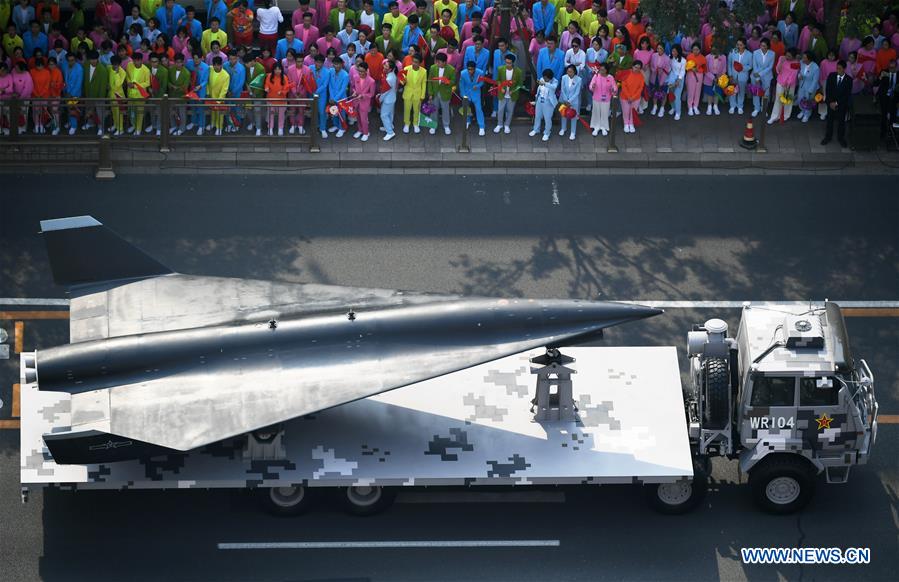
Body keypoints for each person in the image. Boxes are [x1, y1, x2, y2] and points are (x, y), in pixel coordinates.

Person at [821, 60, 851, 147]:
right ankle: (828, 137)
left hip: (841, 104)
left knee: (841, 121)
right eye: (837, 68)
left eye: (840, 69)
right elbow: (828, 90)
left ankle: (841, 138)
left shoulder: (849, 80)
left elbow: (846, 94)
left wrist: (837, 103)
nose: (838, 70)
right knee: (829, 121)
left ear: (844, 69)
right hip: (831, 103)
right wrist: (830, 102)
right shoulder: (831, 76)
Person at [768, 48, 798, 124]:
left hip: (790, 84)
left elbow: (793, 74)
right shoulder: (782, 58)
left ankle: (785, 115)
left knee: (788, 100)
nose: (787, 57)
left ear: (793, 57)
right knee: (778, 99)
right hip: (780, 81)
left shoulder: (796, 63)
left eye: (789, 56)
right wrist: (781, 62)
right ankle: (774, 116)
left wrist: (788, 83)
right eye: (787, 55)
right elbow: (778, 69)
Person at [428, 50, 454, 135]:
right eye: (436, 61)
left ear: (444, 62)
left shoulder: (451, 69)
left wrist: (447, 82)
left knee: (445, 110)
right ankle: (433, 125)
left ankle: (446, 125)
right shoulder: (433, 68)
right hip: (435, 92)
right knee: (433, 109)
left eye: (439, 62)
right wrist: (430, 93)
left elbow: (453, 81)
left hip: (445, 93)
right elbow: (430, 81)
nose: (437, 63)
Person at [493, 52, 520, 135]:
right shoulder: (501, 69)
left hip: (512, 95)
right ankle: (499, 124)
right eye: (506, 62)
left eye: (509, 63)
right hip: (502, 93)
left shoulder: (518, 71)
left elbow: (520, 85)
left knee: (510, 110)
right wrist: (501, 87)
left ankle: (507, 125)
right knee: (500, 110)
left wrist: (514, 90)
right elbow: (498, 80)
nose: (508, 64)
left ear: (513, 63)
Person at [81, 49, 107, 134]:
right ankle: (90, 123)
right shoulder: (86, 66)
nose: (93, 61)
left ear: (98, 59)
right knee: (89, 109)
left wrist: (101, 97)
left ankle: (101, 127)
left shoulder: (102, 69)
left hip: (99, 95)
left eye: (95, 59)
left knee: (100, 112)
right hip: (89, 93)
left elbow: (103, 86)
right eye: (91, 59)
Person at [529, 68, 557, 141]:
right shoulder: (542, 79)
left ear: (550, 78)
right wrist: (535, 101)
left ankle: (547, 132)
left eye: (546, 78)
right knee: (537, 116)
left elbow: (553, 87)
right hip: (539, 101)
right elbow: (538, 91)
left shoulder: (554, 81)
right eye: (544, 77)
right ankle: (536, 129)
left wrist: (545, 83)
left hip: (548, 103)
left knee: (547, 118)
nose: (544, 79)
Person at [126, 52, 150, 134]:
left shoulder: (146, 70)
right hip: (130, 94)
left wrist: (135, 86)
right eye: (134, 61)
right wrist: (128, 82)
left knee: (139, 113)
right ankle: (133, 125)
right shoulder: (129, 65)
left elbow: (147, 83)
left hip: (140, 95)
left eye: (137, 61)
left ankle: (138, 129)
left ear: (141, 60)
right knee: (131, 112)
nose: (135, 63)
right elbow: (127, 76)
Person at [458, 59, 484, 135]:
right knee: (466, 109)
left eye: (472, 69)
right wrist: (463, 95)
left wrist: (478, 86)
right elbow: (461, 85)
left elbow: (482, 82)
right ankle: (467, 121)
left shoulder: (480, 73)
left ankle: (481, 126)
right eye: (469, 69)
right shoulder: (463, 73)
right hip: (466, 93)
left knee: (479, 109)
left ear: (475, 68)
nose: (470, 71)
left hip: (476, 93)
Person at [588, 61, 615, 135]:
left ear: (607, 70)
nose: (601, 71)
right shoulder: (596, 76)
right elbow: (590, 86)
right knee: (596, 112)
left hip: (606, 99)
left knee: (605, 113)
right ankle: (596, 126)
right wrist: (592, 86)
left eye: (603, 70)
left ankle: (604, 127)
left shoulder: (610, 77)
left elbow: (614, 87)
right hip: (596, 98)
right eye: (600, 69)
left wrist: (613, 90)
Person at [401, 52, 425, 133]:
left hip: (418, 93)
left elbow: (424, 83)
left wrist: (422, 95)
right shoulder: (406, 69)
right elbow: (402, 81)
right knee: (407, 109)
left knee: (416, 110)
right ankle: (407, 123)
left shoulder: (424, 71)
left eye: (416, 62)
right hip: (408, 92)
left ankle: (415, 123)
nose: (414, 63)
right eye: (413, 61)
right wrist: (402, 81)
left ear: (420, 63)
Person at [263, 61, 289, 135]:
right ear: (273, 70)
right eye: (275, 69)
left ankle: (280, 128)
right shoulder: (269, 76)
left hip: (282, 101)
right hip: (271, 100)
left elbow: (287, 88)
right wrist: (266, 88)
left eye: (279, 69)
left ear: (281, 70)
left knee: (281, 115)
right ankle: (270, 128)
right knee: (270, 115)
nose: (277, 71)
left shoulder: (284, 77)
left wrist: (282, 92)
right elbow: (266, 84)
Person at [751, 38, 774, 117]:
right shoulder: (755, 53)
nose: (762, 47)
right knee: (756, 92)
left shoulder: (772, 54)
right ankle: (756, 108)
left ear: (768, 46)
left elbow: (770, 67)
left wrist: (760, 74)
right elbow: (754, 65)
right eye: (761, 45)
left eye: (764, 46)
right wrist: (757, 78)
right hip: (755, 75)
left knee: (766, 93)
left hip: (767, 76)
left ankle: (763, 108)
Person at [167, 52, 189, 134]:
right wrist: (171, 86)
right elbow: (168, 81)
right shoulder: (171, 70)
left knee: (182, 113)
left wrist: (177, 88)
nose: (178, 64)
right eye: (176, 62)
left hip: (181, 96)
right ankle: (173, 126)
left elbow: (185, 86)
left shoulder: (186, 73)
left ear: (183, 62)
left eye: (180, 62)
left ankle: (182, 128)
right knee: (171, 111)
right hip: (172, 95)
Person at [352, 60, 374, 140]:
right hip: (356, 101)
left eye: (362, 71)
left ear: (366, 70)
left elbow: (371, 94)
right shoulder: (356, 77)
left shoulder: (371, 81)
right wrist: (354, 92)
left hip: (364, 103)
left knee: (364, 119)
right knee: (357, 117)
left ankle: (366, 132)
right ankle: (360, 130)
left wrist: (363, 96)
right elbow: (354, 87)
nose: (360, 73)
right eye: (359, 71)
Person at [619, 59, 643, 133]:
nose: (637, 69)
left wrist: (633, 97)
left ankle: (631, 123)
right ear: (632, 66)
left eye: (639, 68)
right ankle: (626, 123)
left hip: (636, 98)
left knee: (633, 111)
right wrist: (629, 96)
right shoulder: (626, 73)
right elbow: (624, 86)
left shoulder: (641, 76)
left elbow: (640, 88)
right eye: (635, 67)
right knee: (626, 111)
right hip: (625, 97)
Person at [876, 59, 898, 138]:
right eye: (889, 67)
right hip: (884, 97)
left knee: (893, 115)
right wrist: (881, 77)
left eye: (892, 68)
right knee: (884, 115)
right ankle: (883, 132)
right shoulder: (884, 72)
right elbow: (876, 83)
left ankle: (892, 132)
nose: (890, 69)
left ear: (896, 67)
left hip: (895, 98)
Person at [208, 54, 229, 135]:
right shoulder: (210, 69)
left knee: (220, 114)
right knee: (213, 111)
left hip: (220, 98)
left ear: (221, 65)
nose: (216, 67)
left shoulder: (226, 75)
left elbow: (224, 89)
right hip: (211, 96)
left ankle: (219, 127)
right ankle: (213, 124)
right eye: (214, 65)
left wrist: (219, 100)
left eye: (218, 65)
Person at [795, 50, 819, 123]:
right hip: (802, 85)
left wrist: (810, 91)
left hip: (810, 87)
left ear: (810, 59)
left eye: (805, 58)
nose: (803, 59)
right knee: (800, 99)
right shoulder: (802, 63)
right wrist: (799, 75)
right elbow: (799, 71)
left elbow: (815, 81)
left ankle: (807, 114)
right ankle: (802, 111)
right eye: (803, 57)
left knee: (808, 102)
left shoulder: (816, 67)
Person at [559, 64, 581, 140]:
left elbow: (577, 92)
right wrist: (565, 100)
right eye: (568, 71)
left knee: (573, 116)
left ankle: (573, 132)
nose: (569, 73)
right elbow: (562, 89)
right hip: (564, 100)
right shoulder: (564, 77)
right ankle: (563, 128)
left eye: (571, 72)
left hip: (573, 101)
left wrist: (570, 100)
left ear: (574, 72)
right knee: (563, 114)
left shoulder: (579, 79)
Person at [327, 56, 348, 135]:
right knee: (334, 112)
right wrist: (332, 97)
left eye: (339, 64)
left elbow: (343, 89)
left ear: (342, 64)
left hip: (341, 98)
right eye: (335, 64)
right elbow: (330, 85)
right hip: (332, 96)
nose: (337, 66)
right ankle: (336, 125)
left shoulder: (345, 75)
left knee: (341, 113)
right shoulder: (331, 71)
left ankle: (342, 128)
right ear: (333, 64)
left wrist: (335, 99)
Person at [107, 54, 127, 135]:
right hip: (111, 94)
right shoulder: (109, 68)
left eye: (117, 64)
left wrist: (117, 73)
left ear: (120, 64)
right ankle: (115, 125)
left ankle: (120, 129)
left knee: (119, 113)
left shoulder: (122, 72)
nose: (115, 66)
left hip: (118, 95)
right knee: (113, 112)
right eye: (114, 64)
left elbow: (118, 84)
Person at [685, 42, 706, 116]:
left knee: (698, 91)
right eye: (694, 49)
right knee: (691, 91)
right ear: (692, 50)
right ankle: (690, 106)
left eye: (697, 49)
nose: (695, 51)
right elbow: (686, 67)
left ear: (699, 50)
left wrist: (698, 69)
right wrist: (691, 68)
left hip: (699, 75)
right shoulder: (689, 57)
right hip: (691, 75)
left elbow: (704, 69)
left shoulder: (703, 58)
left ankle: (695, 106)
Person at [704, 44, 725, 115]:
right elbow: (706, 70)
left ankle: (715, 106)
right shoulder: (707, 57)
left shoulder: (723, 57)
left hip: (719, 77)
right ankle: (709, 106)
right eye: (713, 47)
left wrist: (719, 77)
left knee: (717, 92)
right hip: (709, 77)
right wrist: (713, 78)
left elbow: (724, 69)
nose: (714, 49)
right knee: (710, 92)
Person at [379, 57, 397, 140]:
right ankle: (390, 125)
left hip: (388, 99)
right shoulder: (392, 75)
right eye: (385, 65)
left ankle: (390, 132)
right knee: (389, 113)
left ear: (390, 69)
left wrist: (379, 99)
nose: (384, 67)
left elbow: (384, 92)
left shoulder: (389, 78)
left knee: (383, 115)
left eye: (386, 66)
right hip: (391, 98)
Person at [667, 45, 685, 120]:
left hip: (679, 79)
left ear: (678, 51)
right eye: (672, 51)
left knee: (677, 96)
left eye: (675, 51)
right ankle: (673, 108)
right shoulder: (670, 57)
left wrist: (679, 79)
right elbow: (669, 67)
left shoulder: (683, 60)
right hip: (671, 77)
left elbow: (682, 71)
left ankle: (678, 112)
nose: (673, 52)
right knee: (670, 94)